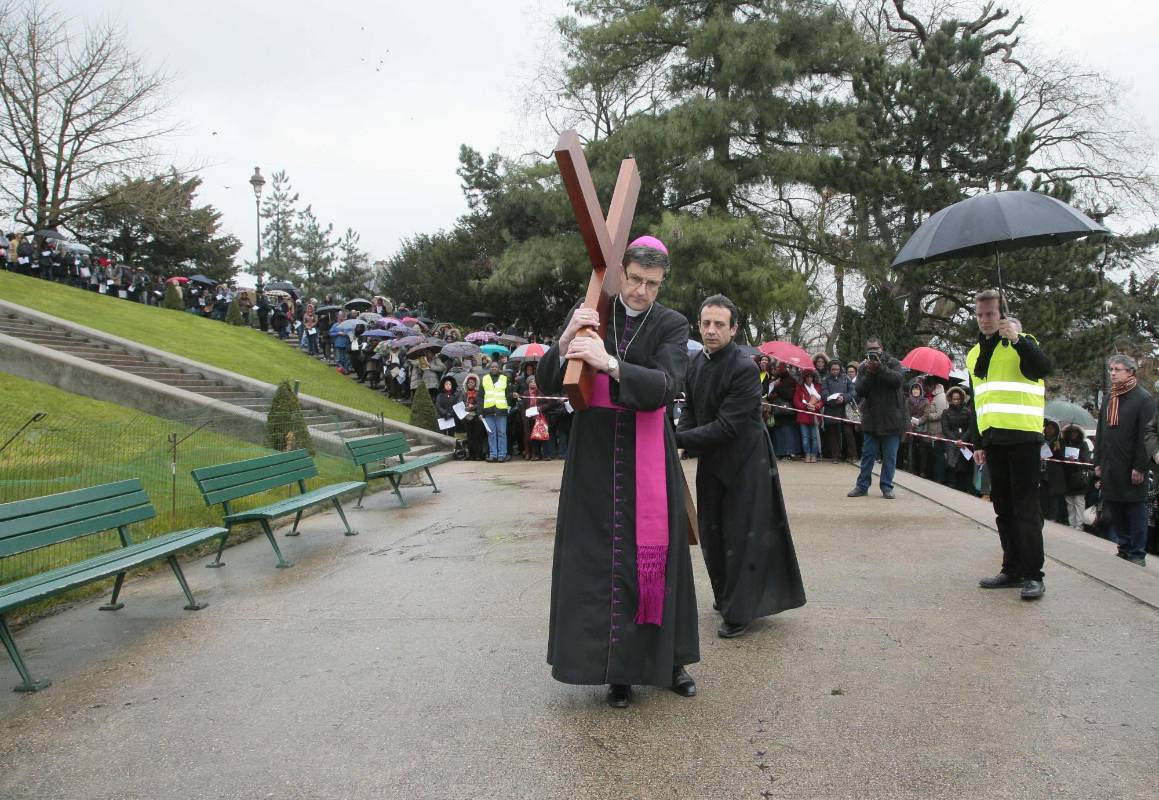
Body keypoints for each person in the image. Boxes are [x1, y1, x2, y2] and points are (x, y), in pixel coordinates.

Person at [536, 235, 699, 709]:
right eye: (635, 279)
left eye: (652, 284)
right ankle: (616, 672)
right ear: (620, 272)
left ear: (662, 283)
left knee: (656, 560)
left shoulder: (671, 324)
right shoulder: (594, 310)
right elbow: (551, 380)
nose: (641, 291)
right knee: (599, 561)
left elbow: (664, 387)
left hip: (647, 453)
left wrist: (607, 362)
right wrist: (566, 340)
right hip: (595, 456)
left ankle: (671, 662)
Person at [676, 294, 805, 638]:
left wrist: (675, 441)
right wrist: (681, 437)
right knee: (713, 531)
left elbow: (727, 426)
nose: (711, 330)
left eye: (720, 324)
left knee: (742, 534)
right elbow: (691, 410)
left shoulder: (744, 368)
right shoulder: (695, 363)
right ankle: (727, 595)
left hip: (747, 461)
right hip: (713, 460)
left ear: (734, 329)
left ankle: (741, 610)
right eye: (706, 323)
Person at [967, 289, 1053, 599]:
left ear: (1002, 313)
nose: (984, 320)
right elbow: (978, 400)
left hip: (1023, 438)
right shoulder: (974, 353)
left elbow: (1043, 368)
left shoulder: (1023, 342)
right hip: (994, 440)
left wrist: (1017, 339)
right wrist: (978, 440)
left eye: (990, 314)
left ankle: (1034, 574)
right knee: (1003, 509)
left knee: (1026, 509)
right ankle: (1012, 568)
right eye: (979, 315)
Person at [1094, 354, 1155, 566]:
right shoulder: (1110, 397)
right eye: (1111, 369)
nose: (1112, 373)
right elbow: (1101, 431)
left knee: (1134, 508)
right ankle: (1124, 546)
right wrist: (1098, 462)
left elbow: (1146, 436)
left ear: (1130, 372)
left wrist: (1140, 466)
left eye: (1117, 369)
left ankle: (1137, 553)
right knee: (1115, 505)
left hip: (1132, 465)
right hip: (1110, 463)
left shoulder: (1143, 399)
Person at [847, 337, 905, 500]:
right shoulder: (864, 367)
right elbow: (859, 390)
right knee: (867, 455)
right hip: (871, 418)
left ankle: (887, 486)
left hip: (891, 417)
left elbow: (897, 381)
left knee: (890, 456)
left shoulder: (893, 363)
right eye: (870, 350)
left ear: (882, 348)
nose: (873, 352)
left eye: (876, 349)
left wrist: (879, 368)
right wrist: (870, 373)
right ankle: (862, 486)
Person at [940, 386, 975, 495]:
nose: (956, 401)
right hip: (951, 442)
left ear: (962, 398)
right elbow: (945, 428)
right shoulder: (946, 412)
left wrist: (962, 439)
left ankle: (964, 488)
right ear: (950, 399)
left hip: (964, 441)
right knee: (951, 465)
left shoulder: (967, 412)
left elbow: (970, 427)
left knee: (964, 466)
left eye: (958, 399)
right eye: (954, 399)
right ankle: (951, 486)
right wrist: (955, 440)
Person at [821, 360, 857, 463]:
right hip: (831, 410)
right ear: (829, 370)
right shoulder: (825, 380)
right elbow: (824, 395)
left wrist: (844, 398)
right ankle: (835, 456)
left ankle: (852, 455)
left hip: (845, 410)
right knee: (833, 435)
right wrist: (834, 400)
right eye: (833, 369)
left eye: (837, 369)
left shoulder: (846, 378)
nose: (835, 371)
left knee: (848, 433)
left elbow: (853, 392)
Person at [1060, 423, 1092, 529]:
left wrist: (1077, 460)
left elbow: (1086, 459)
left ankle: (1079, 526)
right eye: (1071, 432)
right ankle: (1071, 524)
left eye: (1075, 432)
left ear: (1079, 434)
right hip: (1067, 476)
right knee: (1069, 502)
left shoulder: (1083, 444)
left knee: (1079, 501)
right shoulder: (1064, 443)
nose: (1073, 434)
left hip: (1079, 476)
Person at [481, 361, 513, 463]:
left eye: (496, 367)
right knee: (491, 434)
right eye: (492, 367)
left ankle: (502, 454)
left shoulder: (504, 379)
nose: (494, 368)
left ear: (499, 368)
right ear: (490, 368)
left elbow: (508, 395)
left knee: (502, 433)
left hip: (501, 410)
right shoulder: (485, 379)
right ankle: (493, 454)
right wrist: (480, 412)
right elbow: (480, 397)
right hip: (488, 410)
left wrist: (509, 407)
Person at [793, 369, 823, 463]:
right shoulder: (799, 387)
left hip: (814, 415)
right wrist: (806, 406)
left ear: (814, 377)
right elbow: (796, 401)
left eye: (811, 376)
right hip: (803, 416)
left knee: (814, 437)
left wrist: (816, 406)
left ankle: (814, 454)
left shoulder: (818, 387)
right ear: (804, 377)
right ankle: (807, 454)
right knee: (805, 437)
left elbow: (822, 401)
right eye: (807, 376)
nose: (809, 378)